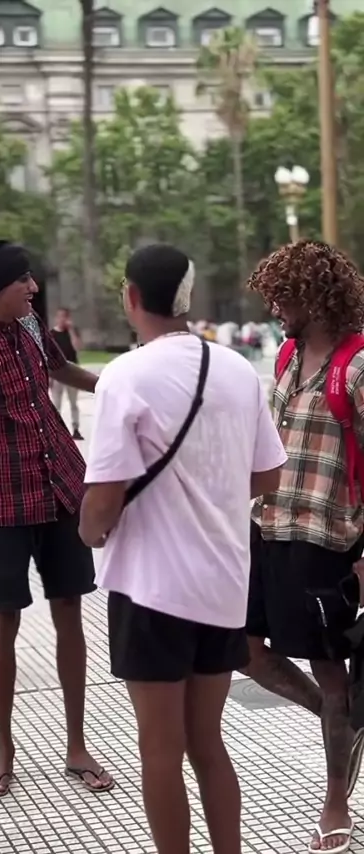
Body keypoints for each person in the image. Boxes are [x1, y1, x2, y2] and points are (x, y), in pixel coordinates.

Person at [79, 244, 287, 854]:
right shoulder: (236, 369)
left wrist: (89, 532)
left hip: (152, 590)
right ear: (187, 298)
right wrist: (209, 492)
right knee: (208, 743)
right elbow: (268, 474)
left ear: (131, 296)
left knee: (160, 751)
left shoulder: (126, 375)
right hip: (223, 584)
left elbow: (102, 502)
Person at [0, 240, 114, 798]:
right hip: (1, 501)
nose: (34, 288)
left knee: (71, 612)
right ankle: (4, 748)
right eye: (23, 281)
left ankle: (77, 745)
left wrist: (117, 384)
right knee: (5, 619)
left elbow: (64, 370)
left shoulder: (33, 327)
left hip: (60, 488)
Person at [246, 239, 364, 853]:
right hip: (268, 525)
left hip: (326, 537)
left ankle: (336, 799)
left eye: (282, 297)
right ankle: (340, 722)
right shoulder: (288, 353)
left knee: (329, 666)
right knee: (243, 649)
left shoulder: (358, 365)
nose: (274, 309)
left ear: (315, 297)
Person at [50, 308, 84, 441]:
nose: (62, 319)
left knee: (74, 403)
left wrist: (71, 331)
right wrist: (49, 376)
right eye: (60, 317)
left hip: (72, 372)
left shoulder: (73, 332)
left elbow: (77, 347)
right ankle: (56, 431)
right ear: (56, 318)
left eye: (65, 317)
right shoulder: (51, 334)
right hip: (57, 372)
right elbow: (48, 355)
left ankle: (76, 429)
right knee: (56, 404)